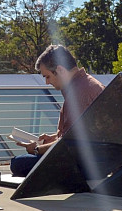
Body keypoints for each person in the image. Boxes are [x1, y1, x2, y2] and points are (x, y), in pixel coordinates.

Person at [10, 44, 105, 177]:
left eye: (47, 76)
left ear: (60, 70)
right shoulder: (85, 84)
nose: (47, 83)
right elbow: (76, 133)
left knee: (17, 164)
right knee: (21, 162)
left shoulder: (79, 94)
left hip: (84, 164)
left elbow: (70, 143)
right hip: (95, 159)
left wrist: (37, 149)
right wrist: (54, 137)